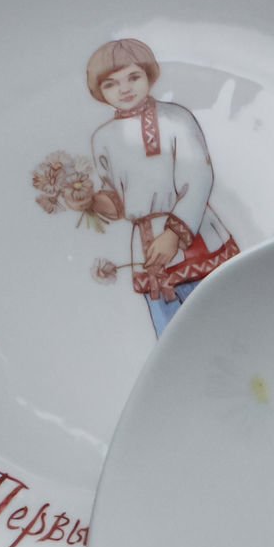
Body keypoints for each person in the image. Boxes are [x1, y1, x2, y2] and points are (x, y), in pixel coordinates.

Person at [85, 38, 239, 336]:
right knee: (172, 335)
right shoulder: (103, 138)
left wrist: (173, 235)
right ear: (99, 92)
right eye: (111, 84)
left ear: (149, 76)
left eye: (133, 77)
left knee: (223, 320)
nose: (124, 89)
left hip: (195, 238)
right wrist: (87, 201)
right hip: (146, 254)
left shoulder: (175, 118)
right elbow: (118, 202)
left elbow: (198, 177)